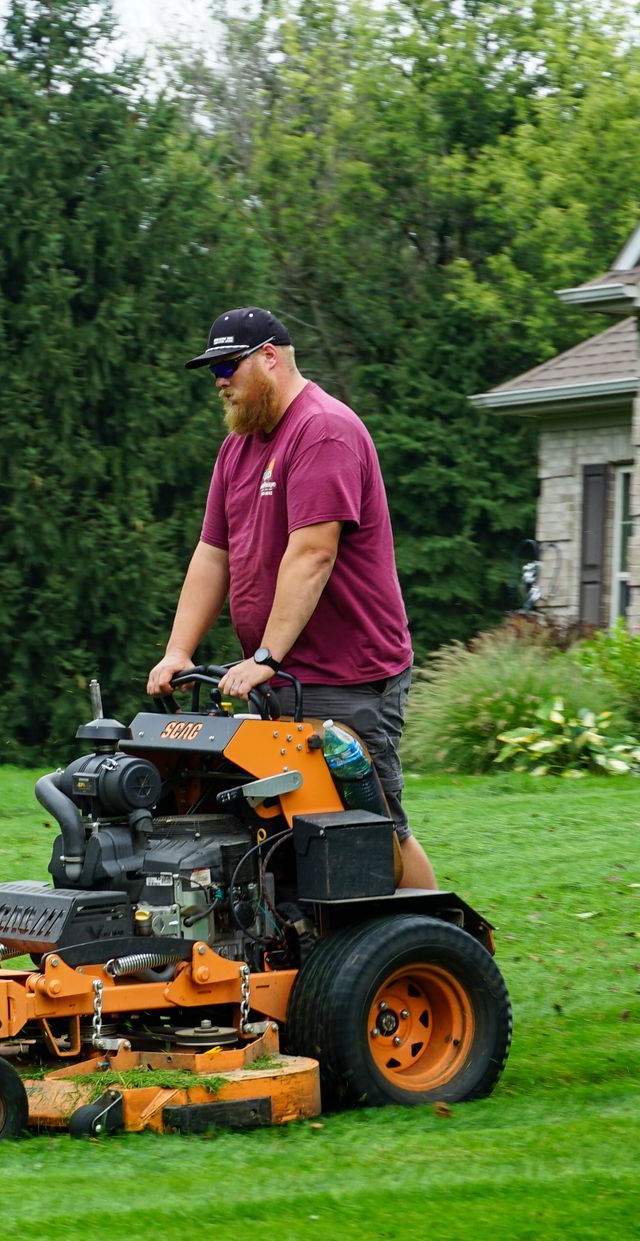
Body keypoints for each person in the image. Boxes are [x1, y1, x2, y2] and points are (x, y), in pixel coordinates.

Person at [147, 307, 436, 890]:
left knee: (371, 833)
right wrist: (179, 651)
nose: (220, 380)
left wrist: (264, 658)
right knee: (289, 833)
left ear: (270, 358)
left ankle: (438, 949)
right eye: (212, 371)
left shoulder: (323, 430)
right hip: (282, 674)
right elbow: (213, 555)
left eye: (228, 366)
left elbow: (313, 555)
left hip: (346, 675)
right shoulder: (239, 448)